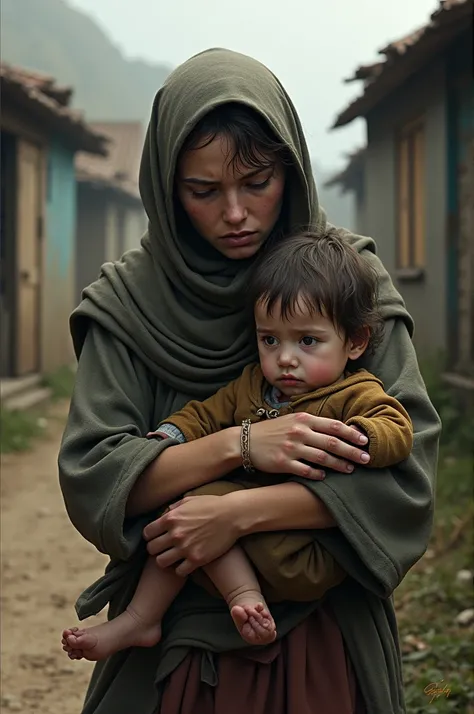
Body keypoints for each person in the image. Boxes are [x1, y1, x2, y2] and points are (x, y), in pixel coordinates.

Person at [58, 48, 440, 714]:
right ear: (166, 187)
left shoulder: (350, 283)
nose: (235, 213)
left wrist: (234, 512)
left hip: (327, 630)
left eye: (256, 182)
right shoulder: (128, 305)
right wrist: (240, 447)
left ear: (289, 171)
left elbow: (406, 477)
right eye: (203, 191)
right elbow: (97, 475)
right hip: (175, 643)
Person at [61, 230, 414, 662]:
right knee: (182, 516)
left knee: (198, 503)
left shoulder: (354, 393)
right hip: (245, 542)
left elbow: (398, 427)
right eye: (270, 340)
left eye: (308, 341)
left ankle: (237, 597)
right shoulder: (252, 386)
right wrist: (169, 436)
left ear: (355, 342)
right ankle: (142, 618)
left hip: (302, 552)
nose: (285, 358)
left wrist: (361, 438)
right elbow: (203, 414)